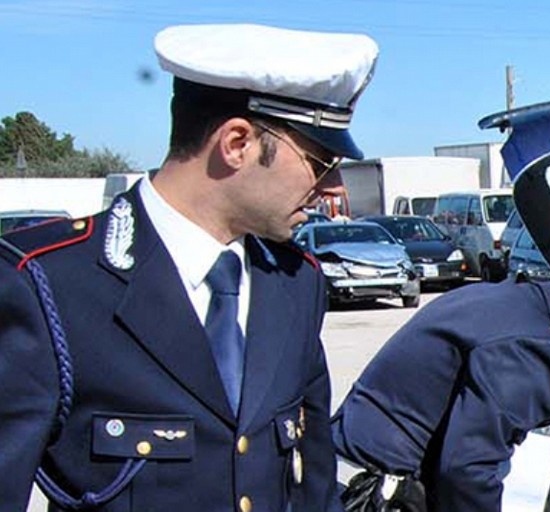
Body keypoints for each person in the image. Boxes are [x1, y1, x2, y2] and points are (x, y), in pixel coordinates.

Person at [0, 23, 377, 511]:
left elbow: (315, 481)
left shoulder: (296, 283)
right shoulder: (49, 283)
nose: (334, 187)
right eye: (321, 162)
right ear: (237, 143)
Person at [332, 219, 550, 512]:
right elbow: (467, 471)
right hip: (369, 496)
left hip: (338, 474)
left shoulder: (507, 301)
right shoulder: (537, 349)